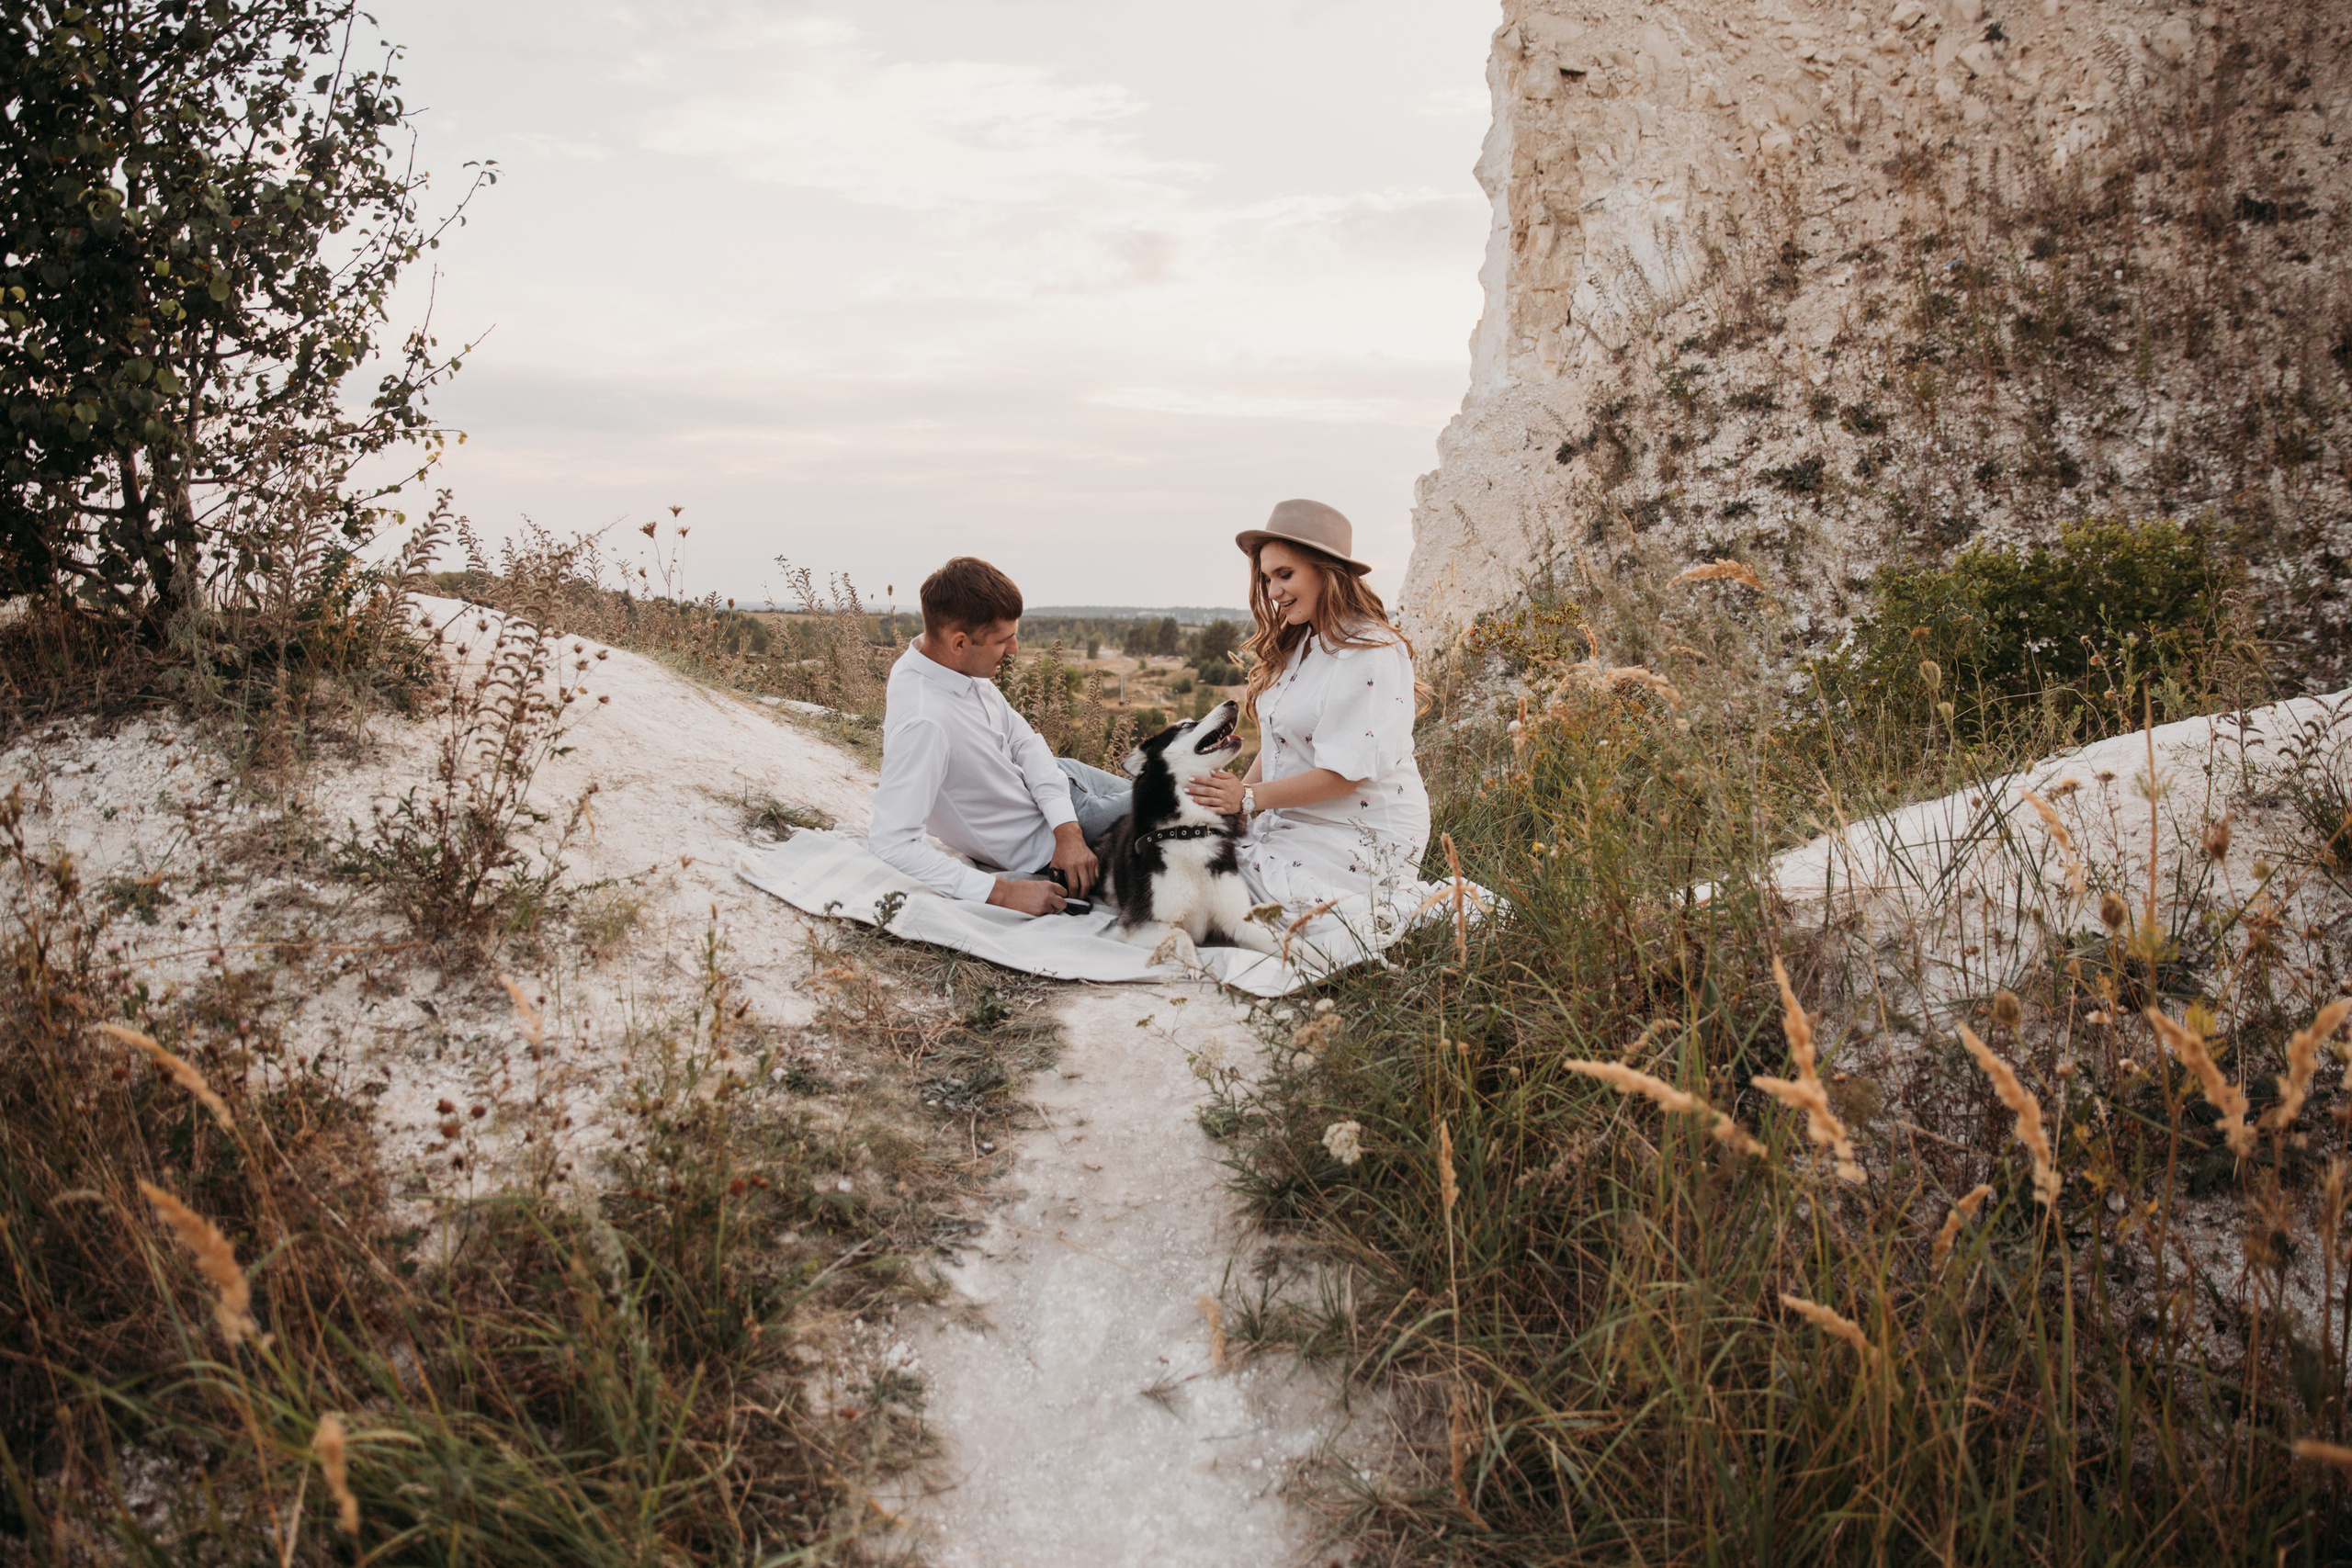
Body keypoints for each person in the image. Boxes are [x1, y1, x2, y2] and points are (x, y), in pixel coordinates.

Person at [1182, 500, 1430, 913]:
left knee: (1207, 884)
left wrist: (1247, 797)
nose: (1273, 591)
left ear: (1327, 572)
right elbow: (1280, 742)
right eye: (1266, 578)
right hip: (1293, 819)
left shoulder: (1372, 651)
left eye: (1285, 574)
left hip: (1358, 832)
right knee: (1180, 854)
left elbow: (1344, 775)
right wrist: (1241, 806)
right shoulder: (1301, 643)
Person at [867, 557, 1133, 916]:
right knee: (1186, 796)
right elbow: (891, 842)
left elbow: (1023, 740)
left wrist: (1066, 831)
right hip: (1052, 839)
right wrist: (1003, 893)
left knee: (1194, 798)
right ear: (959, 643)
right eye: (1002, 640)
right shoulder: (925, 721)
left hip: (1060, 793)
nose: (1014, 650)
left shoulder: (949, 666)